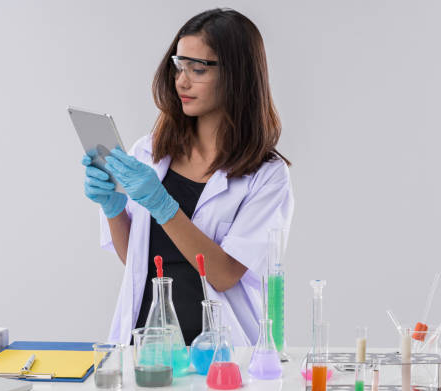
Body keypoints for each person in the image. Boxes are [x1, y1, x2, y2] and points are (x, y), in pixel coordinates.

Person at [81, 8, 293, 346]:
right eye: (180, 66)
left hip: (220, 356)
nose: (182, 80)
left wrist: (162, 205)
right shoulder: (149, 152)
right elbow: (134, 260)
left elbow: (223, 275)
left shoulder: (266, 176)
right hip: (147, 350)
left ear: (237, 76)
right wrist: (113, 207)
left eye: (198, 69)